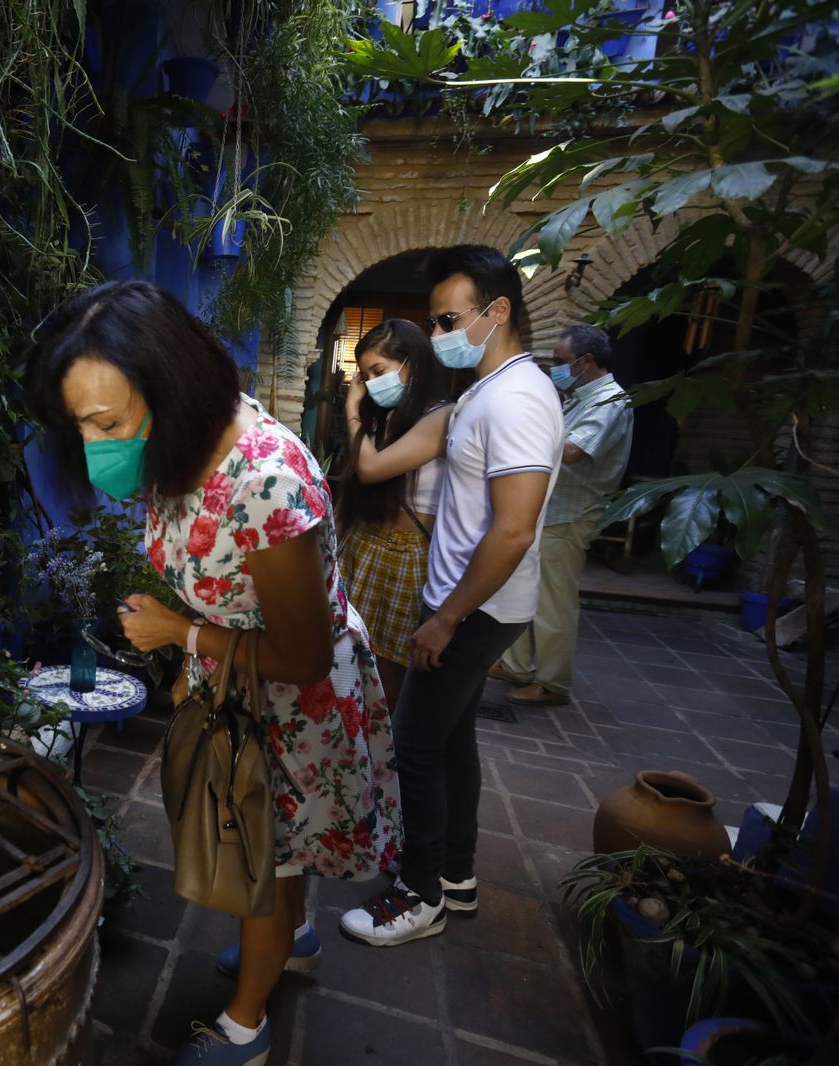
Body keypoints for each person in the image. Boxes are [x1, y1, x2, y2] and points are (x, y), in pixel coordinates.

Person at [23, 280, 400, 1065]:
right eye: (81, 427)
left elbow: (298, 657)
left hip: (294, 707)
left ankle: (245, 1027)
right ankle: (293, 940)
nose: (98, 448)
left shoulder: (267, 482)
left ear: (172, 389)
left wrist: (180, 632)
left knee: (260, 862)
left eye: (108, 423)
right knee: (281, 854)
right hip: (243, 688)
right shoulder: (185, 443)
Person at [339, 245, 564, 947]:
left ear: (497, 312)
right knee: (452, 741)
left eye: (447, 319)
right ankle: (456, 878)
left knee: (413, 743)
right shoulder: (483, 394)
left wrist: (446, 618)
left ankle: (420, 893)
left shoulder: (520, 399)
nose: (438, 335)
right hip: (470, 603)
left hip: (476, 609)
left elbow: (514, 530)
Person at [491, 324, 634, 706]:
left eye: (560, 361)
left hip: (570, 516)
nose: (554, 368)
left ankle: (553, 682)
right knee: (523, 589)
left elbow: (572, 451)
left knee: (554, 601)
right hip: (548, 512)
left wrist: (520, 427)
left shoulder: (610, 401)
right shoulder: (577, 396)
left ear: (586, 362)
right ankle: (516, 665)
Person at [336, 319, 455, 710]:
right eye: (366, 375)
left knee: (389, 668)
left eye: (379, 372)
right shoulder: (389, 415)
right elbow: (358, 482)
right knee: (351, 654)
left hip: (405, 555)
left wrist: (353, 409)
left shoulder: (441, 416)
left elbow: (371, 468)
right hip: (365, 545)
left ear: (413, 365)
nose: (371, 383)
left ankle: (386, 752)